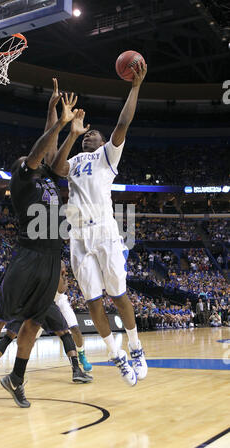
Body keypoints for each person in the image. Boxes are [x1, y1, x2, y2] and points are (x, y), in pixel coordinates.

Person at [0, 85, 79, 411]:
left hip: (52, 259)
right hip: (28, 257)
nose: (37, 159)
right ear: (22, 168)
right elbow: (42, 148)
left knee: (34, 325)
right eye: (31, 159)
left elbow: (53, 150)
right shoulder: (24, 182)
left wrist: (63, 123)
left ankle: (16, 379)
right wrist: (58, 124)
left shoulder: (50, 179)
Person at [51, 62, 148, 386]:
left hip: (105, 231)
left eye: (91, 133)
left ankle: (135, 346)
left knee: (118, 296)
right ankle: (115, 354)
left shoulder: (108, 156)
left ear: (103, 140)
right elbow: (55, 166)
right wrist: (71, 133)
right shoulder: (75, 160)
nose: (87, 136)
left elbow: (123, 122)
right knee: (92, 302)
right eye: (85, 135)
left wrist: (134, 87)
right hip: (79, 237)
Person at [0, 261, 92, 385]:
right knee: (64, 334)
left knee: (9, 336)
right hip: (44, 301)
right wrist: (63, 277)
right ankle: (76, 370)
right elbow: (61, 289)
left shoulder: (32, 260)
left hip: (25, 300)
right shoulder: (54, 266)